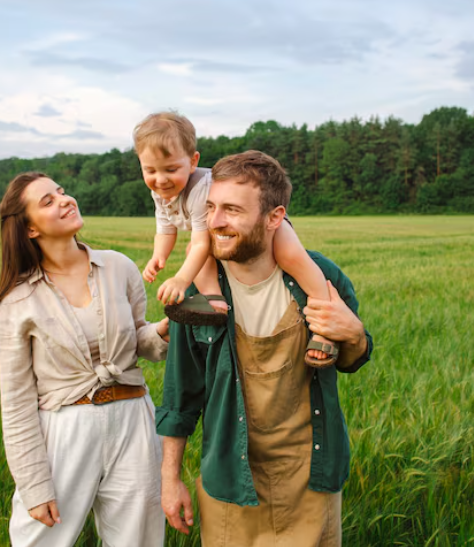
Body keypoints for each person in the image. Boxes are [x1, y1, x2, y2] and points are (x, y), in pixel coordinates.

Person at [156, 151, 374, 546]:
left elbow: (354, 357)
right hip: (229, 481)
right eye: (210, 208)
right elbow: (180, 395)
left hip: (311, 477)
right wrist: (170, 480)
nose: (215, 222)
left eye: (232, 210)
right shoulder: (196, 298)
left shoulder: (320, 278)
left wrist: (354, 334)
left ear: (275, 217)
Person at [0, 171, 169, 547]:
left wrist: (166, 330)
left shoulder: (118, 266)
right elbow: (17, 400)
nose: (65, 200)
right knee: (40, 540)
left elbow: (138, 341)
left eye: (62, 192)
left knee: (139, 540)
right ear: (30, 230)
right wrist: (34, 483)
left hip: (134, 419)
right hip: (65, 430)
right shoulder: (17, 302)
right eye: (48, 201)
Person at [134, 111, 338, 366]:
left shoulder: (198, 190)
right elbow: (165, 228)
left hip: (266, 223)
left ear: (193, 161)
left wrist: (180, 279)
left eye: (171, 169)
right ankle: (214, 301)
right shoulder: (160, 191)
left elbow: (200, 243)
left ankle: (326, 326)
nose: (160, 179)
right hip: (219, 230)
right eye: (149, 170)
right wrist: (158, 256)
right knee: (193, 252)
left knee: (294, 259)